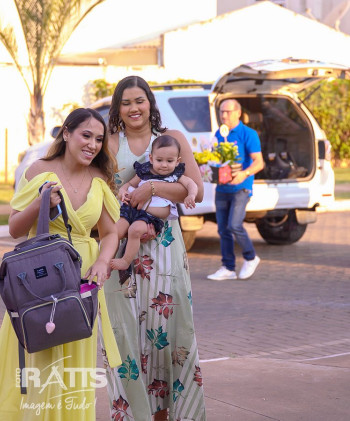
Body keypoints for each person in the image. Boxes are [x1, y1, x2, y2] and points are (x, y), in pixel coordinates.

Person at [0, 108, 121, 420]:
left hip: (82, 283)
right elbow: (15, 229)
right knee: (38, 359)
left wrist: (103, 261)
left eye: (98, 139)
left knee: (74, 366)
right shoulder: (39, 170)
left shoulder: (99, 178)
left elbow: (110, 233)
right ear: (66, 133)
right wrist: (40, 203)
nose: (92, 145)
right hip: (40, 279)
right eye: (86, 135)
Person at [101, 75, 206, 421]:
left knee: (166, 334)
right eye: (126, 102)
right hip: (122, 250)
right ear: (117, 108)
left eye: (139, 101)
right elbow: (100, 192)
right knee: (125, 336)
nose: (134, 108)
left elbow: (196, 190)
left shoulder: (171, 139)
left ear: (150, 103)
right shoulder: (109, 143)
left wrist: (154, 188)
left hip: (164, 249)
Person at [111, 135, 197, 271]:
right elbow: (130, 184)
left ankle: (125, 261)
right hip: (131, 208)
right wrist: (122, 191)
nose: (164, 165)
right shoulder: (144, 170)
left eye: (169, 161)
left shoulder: (175, 175)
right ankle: (106, 260)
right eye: (159, 160)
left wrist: (191, 195)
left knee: (135, 230)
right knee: (115, 231)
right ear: (151, 158)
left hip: (150, 217)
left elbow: (191, 184)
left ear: (177, 161)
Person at [207, 99, 264, 281]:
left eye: (228, 112)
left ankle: (251, 257)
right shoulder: (219, 133)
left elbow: (259, 162)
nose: (224, 115)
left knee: (234, 225)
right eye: (221, 112)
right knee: (223, 229)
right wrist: (208, 169)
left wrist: (244, 174)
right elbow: (216, 159)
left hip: (241, 187)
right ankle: (228, 268)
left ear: (238, 113)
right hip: (222, 188)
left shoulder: (248, 134)